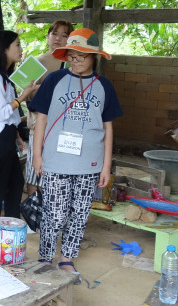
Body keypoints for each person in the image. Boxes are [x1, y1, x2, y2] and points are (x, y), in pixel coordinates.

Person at [30, 28, 122, 278]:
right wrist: (37, 155)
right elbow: (41, 119)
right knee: (54, 213)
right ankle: (46, 257)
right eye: (71, 55)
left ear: (94, 56)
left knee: (79, 214)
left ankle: (67, 258)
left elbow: (108, 127)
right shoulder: (54, 80)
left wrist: (105, 167)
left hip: (89, 164)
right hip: (56, 161)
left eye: (81, 55)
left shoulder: (104, 86)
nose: (75, 60)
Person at [0, 30, 37, 242]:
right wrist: (22, 96)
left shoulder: (3, 77)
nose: (21, 50)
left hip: (7, 136)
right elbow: (1, 112)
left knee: (15, 182)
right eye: (17, 45)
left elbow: (10, 116)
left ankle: (13, 225)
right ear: (4, 48)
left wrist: (17, 135)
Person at [24, 20, 74, 195]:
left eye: (65, 35)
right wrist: (49, 87)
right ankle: (34, 216)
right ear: (47, 36)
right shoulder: (36, 62)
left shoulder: (74, 63)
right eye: (54, 33)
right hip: (39, 127)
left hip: (65, 129)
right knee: (34, 176)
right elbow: (25, 95)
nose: (58, 38)